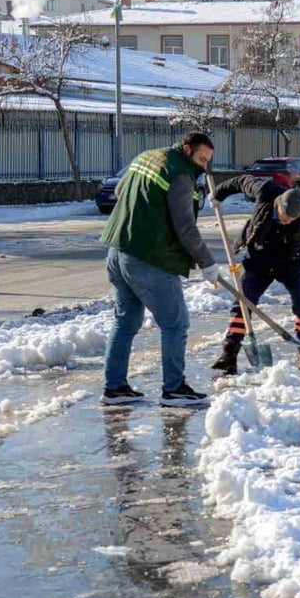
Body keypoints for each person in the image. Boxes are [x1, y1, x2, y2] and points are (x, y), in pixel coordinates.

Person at [99, 132, 219, 407]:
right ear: (187, 149)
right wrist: (207, 263)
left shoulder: (147, 157)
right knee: (175, 323)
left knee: (125, 322)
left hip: (118, 251)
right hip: (149, 257)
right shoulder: (179, 174)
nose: (204, 166)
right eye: (201, 159)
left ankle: (114, 388)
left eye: (208, 161)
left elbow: (120, 192)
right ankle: (174, 389)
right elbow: (186, 228)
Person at [210, 175, 300, 376]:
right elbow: (240, 181)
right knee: (242, 303)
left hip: (292, 263)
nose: (288, 221)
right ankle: (229, 354)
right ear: (279, 204)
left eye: (293, 218)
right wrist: (217, 194)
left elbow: (283, 255)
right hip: (258, 259)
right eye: (286, 215)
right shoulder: (265, 190)